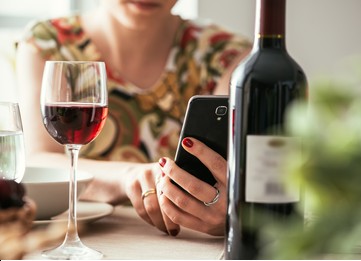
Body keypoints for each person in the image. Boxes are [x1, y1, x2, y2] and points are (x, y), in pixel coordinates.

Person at [15, 0, 250, 237]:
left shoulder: (227, 54)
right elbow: (39, 161)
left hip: (184, 242)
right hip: (86, 236)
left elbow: (239, 176)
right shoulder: (48, 42)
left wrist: (235, 212)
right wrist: (128, 178)